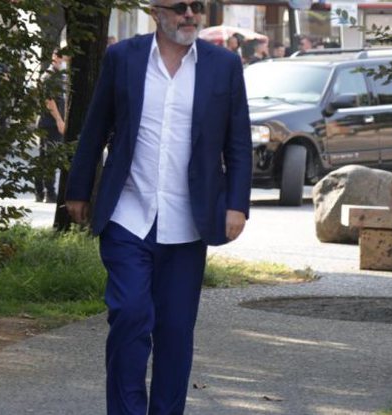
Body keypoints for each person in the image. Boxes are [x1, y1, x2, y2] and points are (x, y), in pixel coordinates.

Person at [64, 0, 252, 412]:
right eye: (180, 6)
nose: (190, 14)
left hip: (188, 223)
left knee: (175, 331)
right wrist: (78, 190)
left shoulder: (223, 65)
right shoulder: (123, 58)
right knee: (130, 314)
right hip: (128, 214)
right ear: (155, 11)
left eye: (197, 6)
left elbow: (238, 140)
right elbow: (95, 127)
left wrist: (237, 204)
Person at [35, 50, 67, 203]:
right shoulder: (50, 76)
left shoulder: (57, 75)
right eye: (63, 58)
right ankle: (49, 192)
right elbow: (50, 101)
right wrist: (59, 120)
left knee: (44, 157)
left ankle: (40, 191)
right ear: (56, 58)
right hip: (50, 123)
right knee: (50, 158)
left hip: (49, 122)